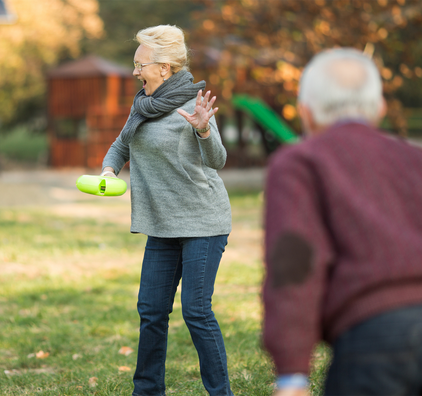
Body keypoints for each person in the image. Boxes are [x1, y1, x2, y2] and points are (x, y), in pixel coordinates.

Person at [263, 48, 422, 396]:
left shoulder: (301, 162)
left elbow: (294, 265)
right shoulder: (415, 159)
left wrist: (292, 374)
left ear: (305, 113)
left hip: (375, 342)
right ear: (380, 109)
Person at [101, 25, 234, 396]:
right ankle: (146, 391)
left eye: (139, 64)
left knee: (196, 310)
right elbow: (121, 142)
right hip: (162, 226)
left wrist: (203, 131)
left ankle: (221, 393)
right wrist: (109, 169)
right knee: (151, 311)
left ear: (164, 67)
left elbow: (218, 161)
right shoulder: (141, 105)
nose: (134, 72)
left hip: (202, 223)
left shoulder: (193, 104)